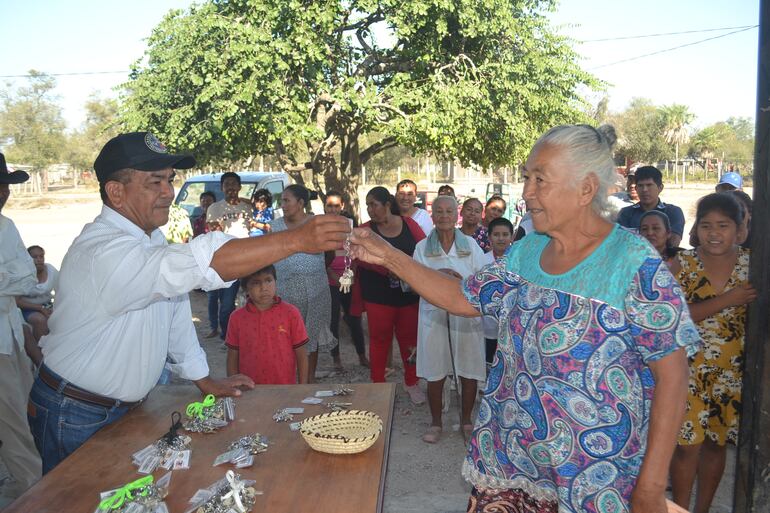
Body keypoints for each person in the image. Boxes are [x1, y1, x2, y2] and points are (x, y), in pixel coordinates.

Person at [350, 124, 700, 513]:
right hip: (510, 458)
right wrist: (388, 255)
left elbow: (673, 375)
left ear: (585, 189)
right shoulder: (525, 252)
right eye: (526, 178)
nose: (527, 192)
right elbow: (461, 297)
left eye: (539, 180)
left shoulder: (634, 264)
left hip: (592, 476)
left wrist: (650, 488)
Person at [28, 132, 350, 473]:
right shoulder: (103, 251)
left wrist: (203, 379)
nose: (168, 192)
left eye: (169, 179)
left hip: (123, 407)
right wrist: (296, 240)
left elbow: (175, 313)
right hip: (75, 411)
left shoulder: (150, 237)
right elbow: (202, 262)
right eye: (155, 182)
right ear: (116, 192)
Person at [669, 193, 756, 513]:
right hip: (688, 370)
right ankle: (679, 508)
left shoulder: (753, 264)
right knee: (685, 447)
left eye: (723, 225)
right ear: (696, 228)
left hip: (732, 374)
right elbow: (673, 314)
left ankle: (702, 509)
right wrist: (728, 299)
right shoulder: (685, 263)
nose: (714, 232)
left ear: (740, 229)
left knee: (716, 445)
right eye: (706, 225)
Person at [412, 195, 487, 443]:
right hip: (433, 317)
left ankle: (466, 420)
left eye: (449, 212)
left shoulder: (471, 246)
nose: (444, 216)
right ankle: (435, 423)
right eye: (440, 212)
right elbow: (413, 282)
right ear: (432, 216)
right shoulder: (422, 248)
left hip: (465, 316)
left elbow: (483, 281)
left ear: (458, 216)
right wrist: (438, 279)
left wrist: (457, 279)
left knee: (468, 369)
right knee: (435, 370)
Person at [358, 186, 426, 405]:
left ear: (387, 205)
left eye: (373, 205)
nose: (370, 210)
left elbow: (424, 249)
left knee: (410, 340)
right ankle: (377, 384)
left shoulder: (409, 225)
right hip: (377, 295)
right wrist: (386, 268)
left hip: (408, 295)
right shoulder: (365, 230)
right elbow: (358, 256)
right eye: (367, 205)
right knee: (379, 339)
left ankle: (411, 382)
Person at [0, 153, 42, 498]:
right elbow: (17, 278)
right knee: (12, 419)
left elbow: (28, 279)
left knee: (28, 405)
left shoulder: (7, 226)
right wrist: (9, 277)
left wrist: (8, 278)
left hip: (11, 332)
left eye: (4, 186)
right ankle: (34, 489)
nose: (2, 193)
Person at [271, 184, 336, 383]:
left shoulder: (317, 224)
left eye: (286, 200)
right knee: (285, 336)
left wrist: (311, 270)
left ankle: (307, 380)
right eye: (282, 200)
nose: (283, 205)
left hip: (315, 291)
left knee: (310, 337)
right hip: (285, 292)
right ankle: (288, 379)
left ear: (300, 203)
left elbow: (330, 253)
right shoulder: (275, 226)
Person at [225, 265, 308, 384]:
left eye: (268, 280)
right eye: (256, 283)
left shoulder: (291, 313)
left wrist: (302, 386)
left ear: (276, 282)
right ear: (246, 288)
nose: (264, 288)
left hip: (284, 388)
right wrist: (232, 385)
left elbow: (301, 352)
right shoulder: (236, 318)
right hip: (249, 389)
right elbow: (232, 356)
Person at [205, 172, 253, 339]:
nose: (231, 187)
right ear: (222, 187)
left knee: (252, 298)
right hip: (228, 260)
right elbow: (215, 233)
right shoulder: (215, 208)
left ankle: (249, 334)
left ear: (240, 187)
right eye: (227, 184)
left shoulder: (248, 207)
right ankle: (227, 336)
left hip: (250, 259)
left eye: (234, 183)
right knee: (226, 305)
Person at [324, 192, 369, 369]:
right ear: (325, 207)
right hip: (330, 283)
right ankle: (336, 359)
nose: (333, 209)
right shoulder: (321, 229)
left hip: (349, 281)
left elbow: (356, 257)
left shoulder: (350, 227)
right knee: (333, 321)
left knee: (354, 320)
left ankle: (362, 356)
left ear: (342, 206)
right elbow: (321, 259)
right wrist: (334, 277)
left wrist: (348, 278)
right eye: (330, 206)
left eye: (336, 206)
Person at [617, 165, 686, 247]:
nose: (644, 190)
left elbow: (673, 243)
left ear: (660, 188)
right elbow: (622, 243)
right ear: (636, 188)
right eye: (640, 185)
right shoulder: (626, 213)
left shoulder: (673, 212)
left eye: (649, 185)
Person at [481, 217, 514, 366]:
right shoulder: (481, 261)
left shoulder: (518, 260)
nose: (501, 238)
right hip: (487, 324)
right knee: (487, 361)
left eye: (505, 234)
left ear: (512, 237)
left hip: (511, 324)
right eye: (496, 234)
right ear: (489, 237)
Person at [15, 245, 59, 342]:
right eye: (34, 257)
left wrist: (56, 306)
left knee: (60, 316)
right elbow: (16, 301)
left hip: (48, 304)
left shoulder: (50, 270)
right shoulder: (21, 275)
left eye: (41, 256)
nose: (39, 260)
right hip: (26, 308)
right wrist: (40, 308)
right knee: (40, 320)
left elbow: (60, 289)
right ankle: (42, 351)